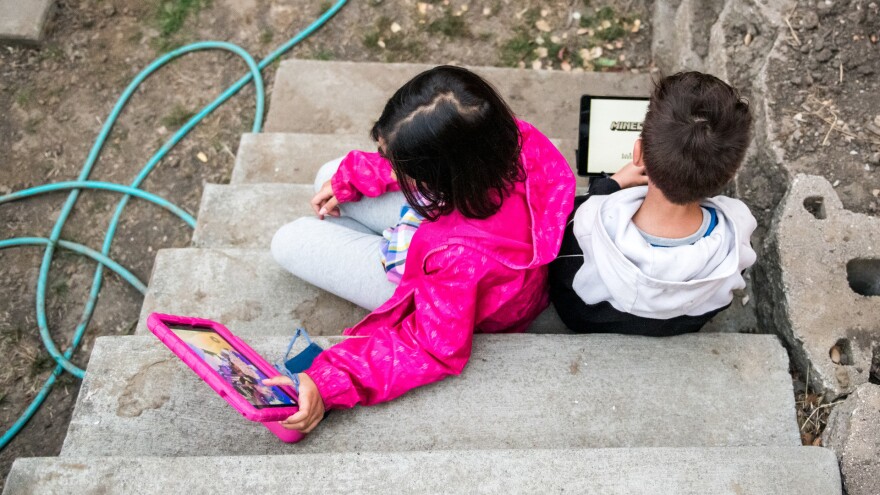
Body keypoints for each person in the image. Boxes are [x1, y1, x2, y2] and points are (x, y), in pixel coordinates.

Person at [266, 66, 576, 433]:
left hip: (447, 273)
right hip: (462, 240)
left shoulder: (460, 259)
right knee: (331, 175)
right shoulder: (511, 137)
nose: (387, 162)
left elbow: (429, 346)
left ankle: (357, 236)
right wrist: (363, 174)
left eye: (398, 163)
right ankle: (355, 224)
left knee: (288, 241)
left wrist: (328, 381)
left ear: (440, 175)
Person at [549, 71, 757, 336]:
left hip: (584, 321)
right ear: (730, 172)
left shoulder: (582, 224)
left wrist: (607, 187)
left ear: (637, 153)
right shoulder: (736, 245)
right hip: (680, 325)